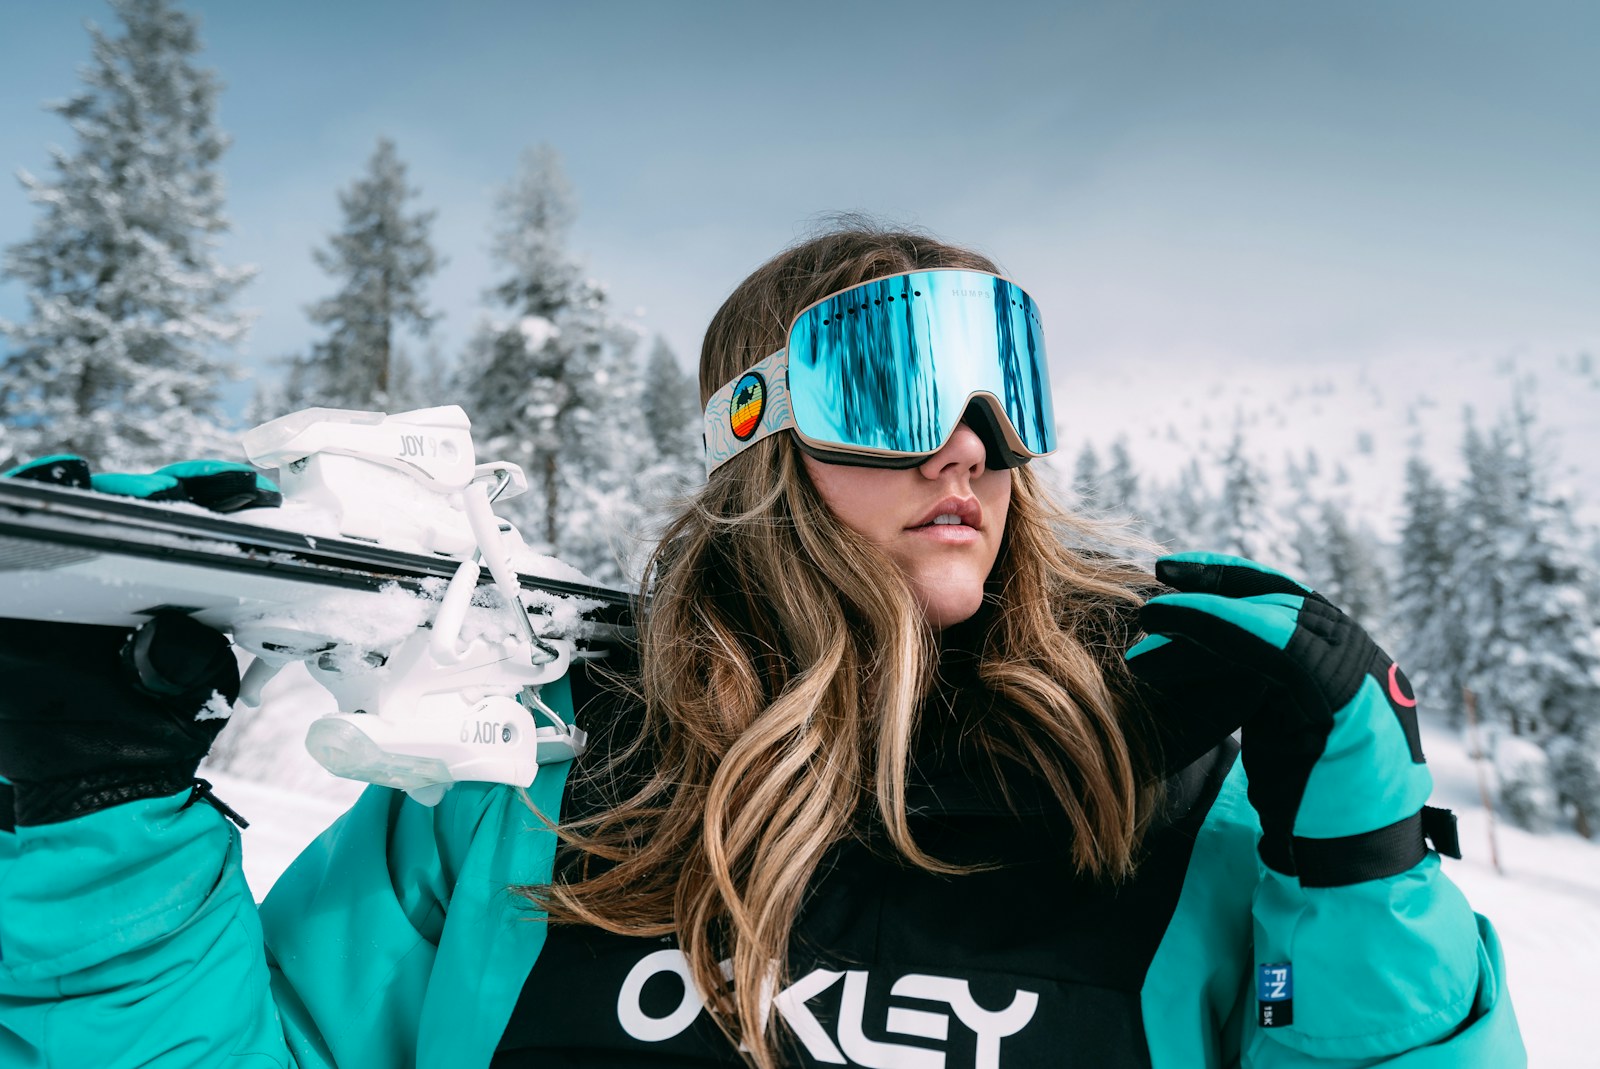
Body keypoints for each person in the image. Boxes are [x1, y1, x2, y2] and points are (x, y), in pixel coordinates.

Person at [0, 224, 1524, 1068]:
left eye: (1006, 392)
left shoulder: (1184, 801)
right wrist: (93, 833)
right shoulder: (532, 776)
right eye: (897, 381)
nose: (970, 453)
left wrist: (1366, 865)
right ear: (757, 430)